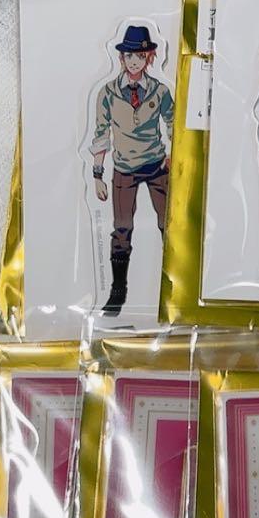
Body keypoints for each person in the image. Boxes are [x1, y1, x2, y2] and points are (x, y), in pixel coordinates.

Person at [89, 24, 174, 316]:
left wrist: (175, 156)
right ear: (121, 58)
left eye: (140, 55)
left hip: (156, 165)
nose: (134, 61)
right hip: (124, 168)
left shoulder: (160, 91)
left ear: (149, 57)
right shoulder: (108, 94)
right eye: (129, 56)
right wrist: (97, 175)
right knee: (122, 228)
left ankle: (174, 279)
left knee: (168, 223)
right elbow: (101, 134)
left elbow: (174, 124)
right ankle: (118, 290)